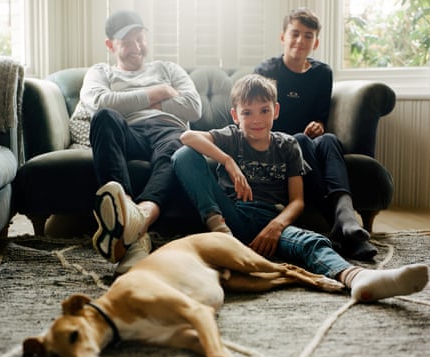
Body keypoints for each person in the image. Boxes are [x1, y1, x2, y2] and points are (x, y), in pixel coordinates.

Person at [170, 73, 428, 302]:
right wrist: (228, 162)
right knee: (184, 155)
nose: (256, 119)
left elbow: (297, 201)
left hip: (270, 219)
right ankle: (222, 237)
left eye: (264, 110)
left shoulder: (287, 146)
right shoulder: (232, 136)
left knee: (310, 242)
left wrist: (276, 226)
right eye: (247, 113)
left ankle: (357, 278)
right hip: (230, 216)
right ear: (236, 115)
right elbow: (187, 137)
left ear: (276, 110)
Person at [80, 10, 202, 275]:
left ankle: (138, 222)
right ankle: (123, 206)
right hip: (128, 131)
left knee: (178, 145)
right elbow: (99, 102)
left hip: (167, 129)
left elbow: (193, 108)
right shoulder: (100, 72)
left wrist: (127, 99)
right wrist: (157, 93)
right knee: (104, 117)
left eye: (140, 38)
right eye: (127, 41)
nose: (136, 47)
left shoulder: (168, 68)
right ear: (110, 45)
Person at [254, 7, 376, 260]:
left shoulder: (322, 73)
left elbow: (321, 116)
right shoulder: (267, 70)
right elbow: (260, 117)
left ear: (316, 42)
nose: (300, 41)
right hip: (280, 144)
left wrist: (319, 125)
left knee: (329, 138)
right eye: (295, 34)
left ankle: (344, 214)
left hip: (310, 142)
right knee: (299, 140)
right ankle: (344, 227)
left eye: (308, 36)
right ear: (283, 37)